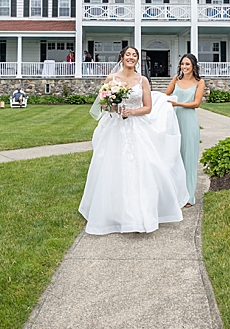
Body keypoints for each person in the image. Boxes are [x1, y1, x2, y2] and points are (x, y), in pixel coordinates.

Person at [78, 46, 188, 235]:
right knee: (113, 168)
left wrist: (131, 112)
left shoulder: (143, 80)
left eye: (134, 55)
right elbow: (104, 104)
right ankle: (114, 213)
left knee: (144, 167)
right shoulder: (111, 80)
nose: (131, 57)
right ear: (122, 58)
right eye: (128, 54)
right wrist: (116, 109)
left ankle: (142, 213)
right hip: (115, 129)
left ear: (137, 60)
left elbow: (147, 107)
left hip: (138, 127)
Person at [165, 54, 206, 208]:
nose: (184, 67)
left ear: (193, 66)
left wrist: (177, 104)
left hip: (189, 122)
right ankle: (174, 194)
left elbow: (196, 103)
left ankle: (188, 196)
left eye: (187, 64)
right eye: (182, 64)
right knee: (174, 158)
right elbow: (165, 96)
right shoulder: (176, 80)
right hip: (174, 121)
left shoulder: (199, 82)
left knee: (188, 159)